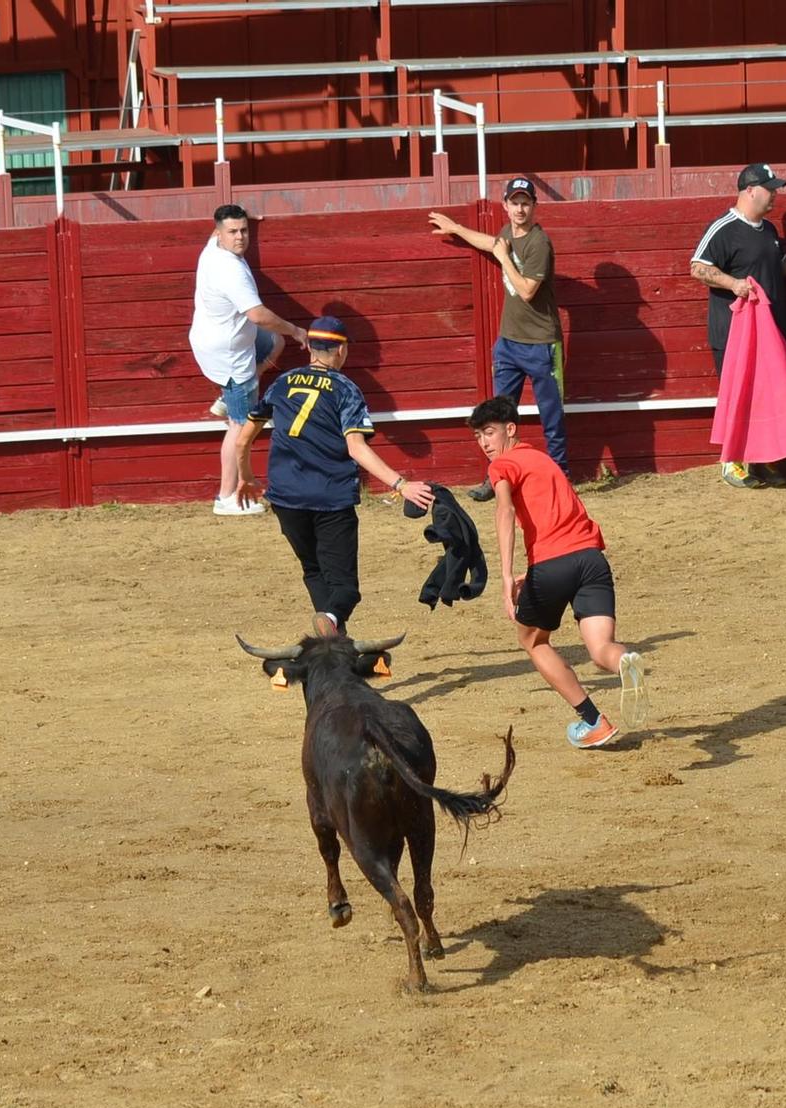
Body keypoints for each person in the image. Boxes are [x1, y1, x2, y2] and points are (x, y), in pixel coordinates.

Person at [231, 317, 434, 629]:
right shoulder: (345, 390)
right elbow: (355, 447)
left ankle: (334, 642)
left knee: (314, 570)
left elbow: (242, 439)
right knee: (345, 589)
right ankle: (330, 620)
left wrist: (245, 477)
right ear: (341, 350)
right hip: (330, 496)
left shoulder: (282, 382)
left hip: (286, 496)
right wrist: (401, 484)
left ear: (310, 347)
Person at [470, 395, 644, 751]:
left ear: (510, 429)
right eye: (478, 437)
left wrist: (506, 576)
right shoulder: (544, 460)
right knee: (601, 649)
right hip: (592, 560)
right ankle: (625, 661)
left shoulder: (502, 465)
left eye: (489, 433)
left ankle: (593, 721)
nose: (484, 443)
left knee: (533, 641)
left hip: (552, 565)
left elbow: (504, 512)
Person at [428, 175, 568, 501]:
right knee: (496, 416)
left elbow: (528, 291)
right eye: (515, 203)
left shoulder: (539, 243)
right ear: (505, 206)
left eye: (526, 203)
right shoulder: (508, 234)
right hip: (509, 343)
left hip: (542, 344)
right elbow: (492, 243)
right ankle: (496, 476)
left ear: (534, 206)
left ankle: (560, 476)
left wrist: (504, 257)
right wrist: (457, 229)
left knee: (552, 415)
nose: (520, 209)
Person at [689, 163, 786, 489]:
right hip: (734, 330)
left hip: (770, 330)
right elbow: (698, 267)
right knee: (740, 395)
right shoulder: (724, 228)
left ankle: (760, 460)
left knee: (766, 396)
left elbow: (779, 268)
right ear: (750, 190)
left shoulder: (769, 229)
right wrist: (734, 284)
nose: (775, 194)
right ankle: (732, 462)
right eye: (770, 189)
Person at [191, 204, 308, 516]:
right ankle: (226, 497)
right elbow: (257, 315)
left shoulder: (212, 246)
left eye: (244, 230)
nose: (240, 237)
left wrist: (245, 218)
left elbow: (263, 328)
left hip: (215, 338)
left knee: (274, 342)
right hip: (231, 355)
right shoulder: (230, 270)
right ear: (219, 233)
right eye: (233, 232)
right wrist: (297, 330)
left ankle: (227, 399)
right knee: (240, 428)